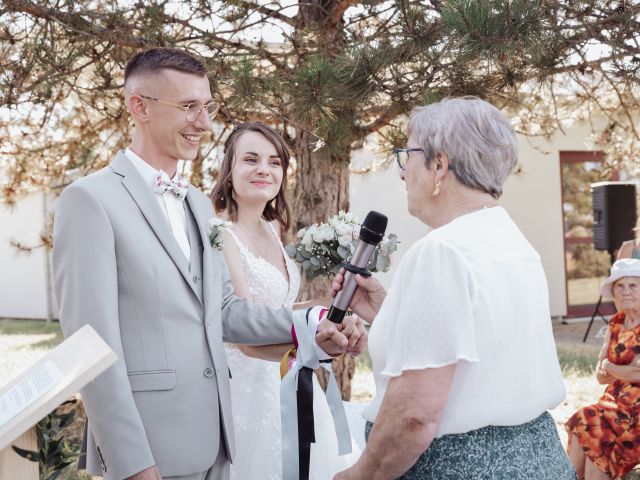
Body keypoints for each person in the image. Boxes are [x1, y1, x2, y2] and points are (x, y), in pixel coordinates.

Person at [52, 48, 365, 480]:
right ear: (138, 106)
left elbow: (226, 313)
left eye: (207, 107)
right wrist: (132, 462)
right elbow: (92, 348)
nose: (204, 123)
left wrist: (312, 322)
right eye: (188, 107)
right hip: (151, 452)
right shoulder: (90, 200)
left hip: (219, 446)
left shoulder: (198, 204)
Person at [331, 97, 576, 479]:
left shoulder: (442, 251)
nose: (402, 173)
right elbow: (482, 349)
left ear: (440, 165)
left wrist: (358, 475)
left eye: (407, 155)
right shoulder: (512, 241)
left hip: (460, 466)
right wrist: (388, 311)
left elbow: (415, 415)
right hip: (538, 458)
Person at [210, 121, 361, 479]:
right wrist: (314, 339)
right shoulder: (221, 235)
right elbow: (246, 333)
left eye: (274, 161)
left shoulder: (271, 228)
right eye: (250, 159)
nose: (264, 169)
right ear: (229, 170)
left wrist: (327, 308)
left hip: (289, 379)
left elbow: (278, 311)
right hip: (249, 389)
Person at [566, 259, 640, 480]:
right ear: (613, 293)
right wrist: (621, 369)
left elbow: (637, 374)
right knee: (590, 433)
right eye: (620, 286)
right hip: (613, 404)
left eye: (633, 285)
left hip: (635, 413)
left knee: (587, 420)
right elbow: (600, 376)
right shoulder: (615, 324)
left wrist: (610, 366)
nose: (626, 291)